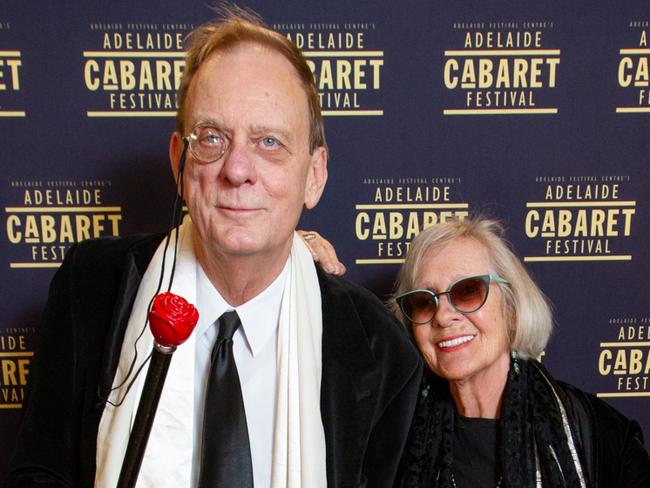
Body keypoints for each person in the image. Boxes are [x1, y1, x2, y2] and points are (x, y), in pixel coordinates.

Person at [4, 7, 421, 488]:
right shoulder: (90, 289)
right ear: (179, 162)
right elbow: (38, 473)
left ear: (314, 175)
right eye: (212, 138)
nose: (237, 169)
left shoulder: (379, 349)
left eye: (269, 142)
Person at [306, 218, 650, 487]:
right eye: (424, 302)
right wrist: (291, 260)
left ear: (511, 307)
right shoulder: (393, 435)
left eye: (468, 291)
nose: (443, 315)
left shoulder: (599, 436)